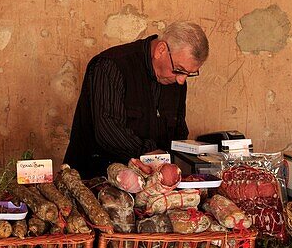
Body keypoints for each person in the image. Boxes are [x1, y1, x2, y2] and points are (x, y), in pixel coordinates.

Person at [64, 21, 210, 178]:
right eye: (179, 70)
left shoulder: (176, 79)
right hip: (95, 180)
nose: (181, 80)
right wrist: (148, 152)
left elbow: (178, 132)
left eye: (189, 74)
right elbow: (108, 130)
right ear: (160, 50)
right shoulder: (111, 65)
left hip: (152, 185)